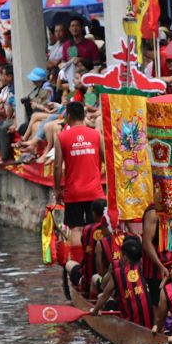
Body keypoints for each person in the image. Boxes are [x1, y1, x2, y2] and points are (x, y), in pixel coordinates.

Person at [52, 101, 104, 236]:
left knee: (76, 229)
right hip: (95, 192)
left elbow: (57, 166)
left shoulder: (61, 137)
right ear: (84, 115)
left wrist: (57, 189)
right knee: (96, 229)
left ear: (68, 116)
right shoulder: (96, 135)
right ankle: (94, 256)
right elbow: (107, 160)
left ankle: (77, 257)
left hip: (73, 192)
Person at [90, 235, 152, 328]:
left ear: (125, 257)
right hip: (149, 324)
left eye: (121, 255)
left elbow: (105, 294)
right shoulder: (144, 268)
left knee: (101, 296)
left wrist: (94, 311)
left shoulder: (118, 272)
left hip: (130, 325)